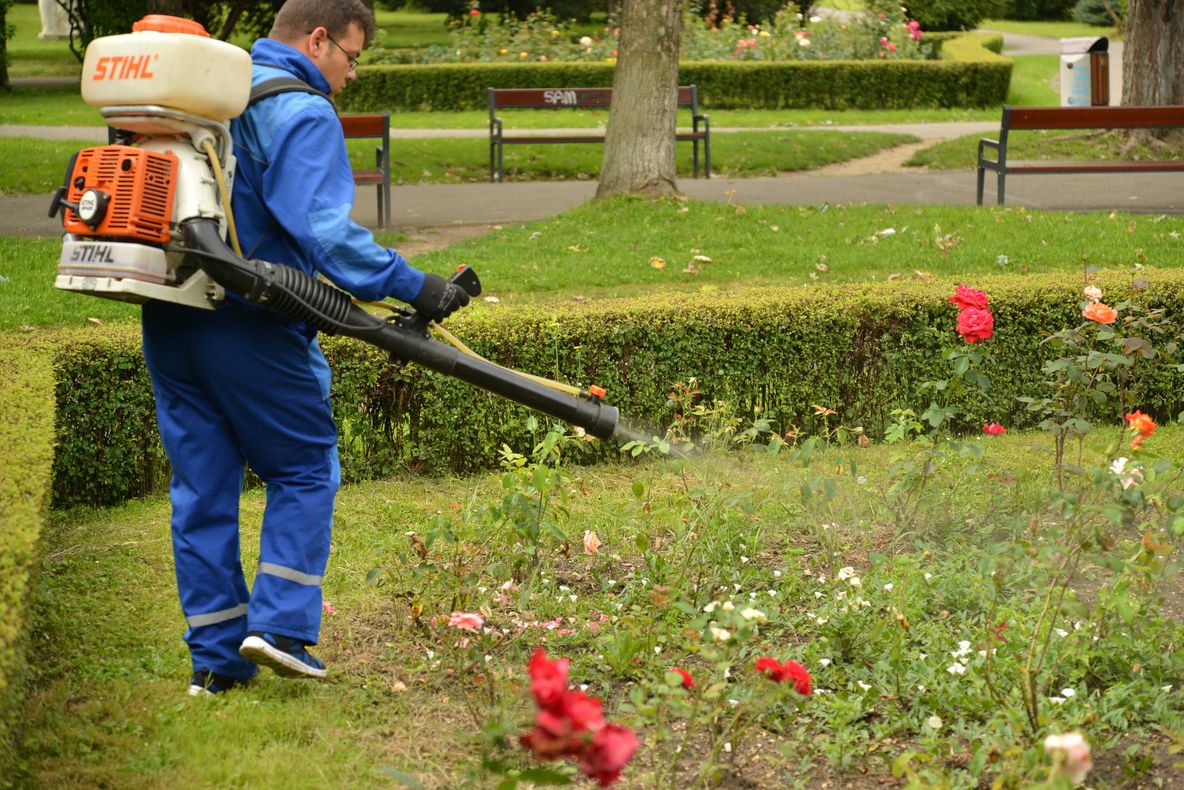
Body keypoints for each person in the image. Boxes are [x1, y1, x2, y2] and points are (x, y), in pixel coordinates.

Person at [140, 0, 469, 696]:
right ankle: (282, 628)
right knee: (306, 469)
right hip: (250, 323)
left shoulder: (206, 93)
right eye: (351, 58)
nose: (349, 77)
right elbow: (324, 235)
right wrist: (417, 286)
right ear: (319, 39)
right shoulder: (300, 109)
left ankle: (216, 664)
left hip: (169, 312)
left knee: (202, 488)